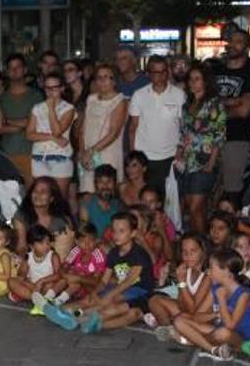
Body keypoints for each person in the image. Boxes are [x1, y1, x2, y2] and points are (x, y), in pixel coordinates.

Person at [62, 212, 155, 334]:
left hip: (139, 290)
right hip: (121, 287)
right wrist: (95, 292)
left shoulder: (139, 254)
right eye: (114, 230)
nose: (116, 235)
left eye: (121, 231)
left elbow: (129, 281)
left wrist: (108, 296)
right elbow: (104, 280)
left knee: (109, 300)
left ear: (133, 233)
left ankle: (77, 316)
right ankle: (64, 311)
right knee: (91, 299)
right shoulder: (113, 253)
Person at [173, 249, 250, 361]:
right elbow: (197, 316)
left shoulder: (244, 295)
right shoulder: (216, 288)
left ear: (226, 272)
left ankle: (192, 339)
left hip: (242, 338)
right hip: (218, 330)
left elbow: (230, 326)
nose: (208, 271)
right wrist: (215, 315)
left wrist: (221, 299)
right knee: (179, 320)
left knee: (223, 333)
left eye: (212, 268)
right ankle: (213, 350)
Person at [213, 29, 250, 203]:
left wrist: (218, 107)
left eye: (238, 41)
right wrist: (233, 101)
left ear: (247, 47)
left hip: (236, 138)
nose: (232, 44)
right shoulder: (215, 70)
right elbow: (204, 102)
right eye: (231, 40)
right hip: (210, 138)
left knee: (231, 190)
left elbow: (244, 111)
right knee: (210, 190)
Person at [177, 63, 226, 234]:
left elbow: (219, 135)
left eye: (197, 79)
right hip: (187, 162)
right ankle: (201, 242)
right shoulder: (186, 106)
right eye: (190, 79)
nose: (192, 83)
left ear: (205, 82)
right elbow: (183, 133)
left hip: (205, 160)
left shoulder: (214, 104)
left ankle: (202, 243)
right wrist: (179, 153)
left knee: (196, 205)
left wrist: (212, 162)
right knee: (192, 207)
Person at [127, 55, 185, 195]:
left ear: (167, 72)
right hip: (145, 157)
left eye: (163, 71)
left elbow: (184, 127)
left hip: (170, 157)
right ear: (148, 74)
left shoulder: (179, 95)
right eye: (155, 72)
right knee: (146, 199)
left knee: (170, 201)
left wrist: (181, 150)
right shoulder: (139, 95)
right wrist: (133, 155)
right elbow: (133, 127)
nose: (159, 75)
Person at [147, 233, 212, 335]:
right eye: (184, 251)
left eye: (193, 251)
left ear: (203, 252)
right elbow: (181, 302)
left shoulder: (208, 275)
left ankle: (177, 328)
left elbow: (194, 309)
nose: (188, 255)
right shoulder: (185, 270)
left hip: (202, 317)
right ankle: (169, 329)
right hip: (187, 313)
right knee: (154, 300)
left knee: (182, 317)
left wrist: (182, 282)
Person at [79, 64, 128, 194]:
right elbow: (82, 129)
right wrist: (82, 151)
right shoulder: (91, 99)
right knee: (87, 193)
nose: (102, 81)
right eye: (99, 77)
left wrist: (91, 152)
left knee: (106, 192)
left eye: (106, 77)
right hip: (87, 156)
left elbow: (114, 133)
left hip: (107, 152)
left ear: (114, 80)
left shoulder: (120, 101)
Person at [27, 73, 75, 196]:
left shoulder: (69, 109)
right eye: (47, 88)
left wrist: (51, 108)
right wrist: (53, 138)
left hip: (61, 158)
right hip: (39, 158)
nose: (50, 91)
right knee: (41, 197)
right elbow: (30, 134)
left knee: (60, 199)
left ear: (62, 88)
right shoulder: (37, 108)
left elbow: (57, 131)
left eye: (54, 88)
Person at [0, 54, 43, 184]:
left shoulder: (36, 95)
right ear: (7, 72)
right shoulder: (2, 98)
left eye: (18, 67)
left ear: (25, 70)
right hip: (7, 154)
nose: (14, 70)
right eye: (11, 68)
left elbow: (35, 124)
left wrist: (7, 121)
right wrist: (24, 124)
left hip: (31, 153)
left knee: (32, 195)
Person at [12, 177, 73, 257]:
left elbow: (68, 249)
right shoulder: (22, 216)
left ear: (51, 198)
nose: (38, 194)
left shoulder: (61, 220)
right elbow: (21, 247)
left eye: (43, 192)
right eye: (35, 191)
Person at [7, 224, 63, 304]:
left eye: (48, 242)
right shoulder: (28, 257)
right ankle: (35, 298)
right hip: (32, 286)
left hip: (46, 285)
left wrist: (42, 281)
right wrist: (24, 280)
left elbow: (58, 275)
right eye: (41, 243)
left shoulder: (53, 256)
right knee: (11, 281)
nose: (46, 246)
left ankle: (35, 297)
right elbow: (21, 275)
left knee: (55, 284)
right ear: (31, 246)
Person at [80, 165, 122, 240]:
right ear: (95, 184)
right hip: (91, 247)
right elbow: (84, 235)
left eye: (109, 181)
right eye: (101, 182)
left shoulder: (118, 205)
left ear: (115, 184)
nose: (105, 186)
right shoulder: (87, 203)